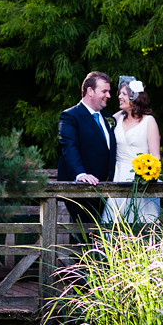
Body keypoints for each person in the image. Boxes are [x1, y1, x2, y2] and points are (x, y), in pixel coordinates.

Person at [57, 71, 117, 222]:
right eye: (104, 91)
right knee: (86, 236)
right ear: (90, 91)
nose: (108, 96)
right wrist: (81, 174)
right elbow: (69, 147)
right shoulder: (70, 116)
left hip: (108, 189)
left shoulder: (108, 117)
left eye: (108, 91)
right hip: (82, 190)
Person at [103, 76, 161, 224]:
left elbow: (156, 157)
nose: (119, 97)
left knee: (142, 222)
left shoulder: (149, 121)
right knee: (114, 223)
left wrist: (145, 176)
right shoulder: (116, 118)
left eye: (123, 94)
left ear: (134, 97)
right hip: (118, 175)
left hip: (139, 178)